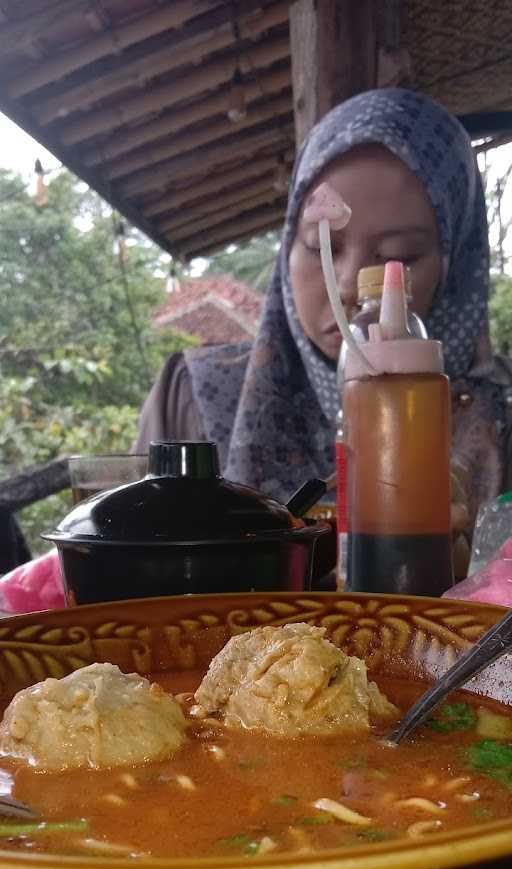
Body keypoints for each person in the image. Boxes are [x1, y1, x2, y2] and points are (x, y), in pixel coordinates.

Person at [134, 88, 512, 576]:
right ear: (287, 247)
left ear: (453, 263)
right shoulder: (193, 397)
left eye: (399, 254)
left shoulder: (503, 417)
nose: (355, 286)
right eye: (321, 247)